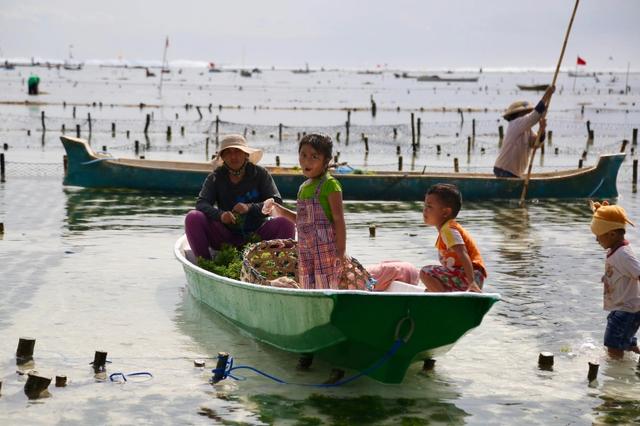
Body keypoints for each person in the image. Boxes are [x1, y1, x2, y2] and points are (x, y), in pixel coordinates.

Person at [184, 134, 294, 260]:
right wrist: (221, 215)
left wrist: (249, 207)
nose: (233, 156)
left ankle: (278, 265)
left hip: (258, 237)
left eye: (237, 151)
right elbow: (201, 204)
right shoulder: (215, 177)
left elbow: (276, 203)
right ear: (223, 157)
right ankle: (205, 264)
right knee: (193, 217)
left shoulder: (260, 174)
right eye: (228, 153)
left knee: (286, 222)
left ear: (246, 154)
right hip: (225, 238)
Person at [264, 133, 346, 289]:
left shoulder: (330, 185)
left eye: (314, 157)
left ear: (326, 161)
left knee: (326, 287)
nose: (307, 161)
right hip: (305, 250)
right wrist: (277, 208)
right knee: (307, 286)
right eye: (303, 155)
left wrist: (340, 253)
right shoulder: (303, 188)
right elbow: (301, 221)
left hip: (326, 250)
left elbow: (339, 220)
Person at [590, 201, 640, 359]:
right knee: (626, 345)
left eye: (598, 236)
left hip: (627, 311)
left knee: (613, 348)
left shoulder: (624, 255)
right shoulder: (616, 250)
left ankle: (617, 380)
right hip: (623, 309)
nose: (597, 240)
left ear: (611, 234)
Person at [420, 183, 487, 292]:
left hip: (470, 276)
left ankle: (445, 301)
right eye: (425, 205)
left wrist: (472, 282)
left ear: (445, 212)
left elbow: (462, 253)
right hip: (465, 276)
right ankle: (442, 297)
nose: (425, 210)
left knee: (425, 272)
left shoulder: (448, 230)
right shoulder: (446, 230)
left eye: (429, 206)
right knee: (429, 289)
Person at [493, 85, 555, 178]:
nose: (527, 114)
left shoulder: (527, 130)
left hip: (514, 173)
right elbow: (533, 116)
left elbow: (535, 144)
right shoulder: (515, 124)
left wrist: (542, 130)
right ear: (517, 114)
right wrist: (547, 95)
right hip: (504, 170)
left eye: (528, 112)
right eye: (525, 112)